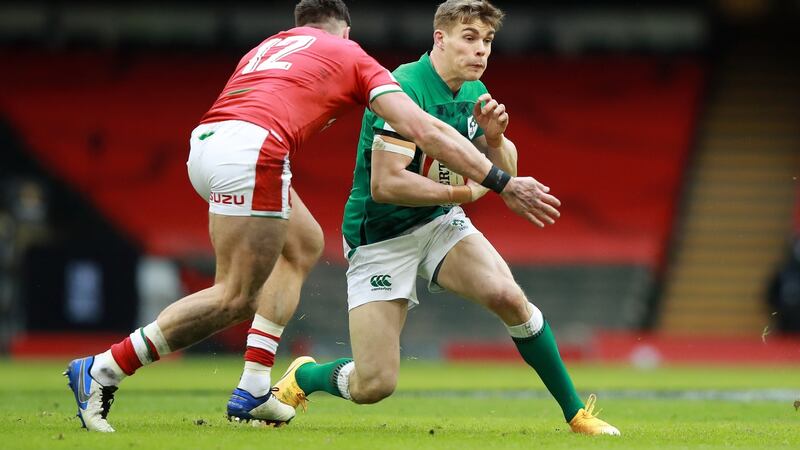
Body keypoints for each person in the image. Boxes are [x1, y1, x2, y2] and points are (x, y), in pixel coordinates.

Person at [64, 0, 559, 432]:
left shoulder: (271, 45)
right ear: (344, 32)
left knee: (303, 243)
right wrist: (501, 183)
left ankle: (256, 386)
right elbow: (426, 131)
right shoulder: (351, 55)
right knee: (235, 296)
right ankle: (104, 369)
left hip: (208, 144)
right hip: (255, 154)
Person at [270, 0, 620, 437]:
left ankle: (575, 415)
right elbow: (387, 185)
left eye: (488, 41)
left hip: (439, 222)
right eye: (470, 38)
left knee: (509, 297)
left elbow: (504, 168)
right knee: (374, 384)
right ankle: (305, 377)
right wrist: (465, 191)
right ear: (440, 38)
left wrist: (494, 139)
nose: (481, 51)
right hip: (380, 236)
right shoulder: (403, 87)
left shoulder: (475, 92)